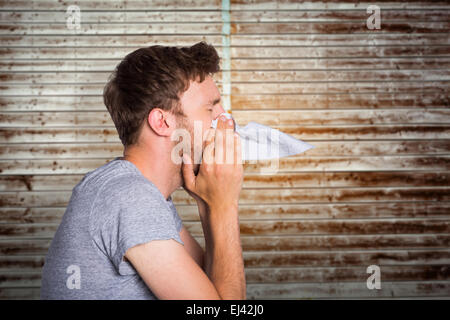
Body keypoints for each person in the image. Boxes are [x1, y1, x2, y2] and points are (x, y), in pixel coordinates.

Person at [40, 42, 246, 300]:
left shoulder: (141, 193)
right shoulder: (129, 197)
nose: (226, 120)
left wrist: (210, 204)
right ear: (162, 122)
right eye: (211, 108)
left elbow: (211, 284)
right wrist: (226, 205)